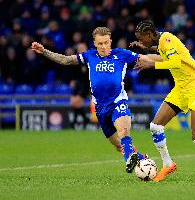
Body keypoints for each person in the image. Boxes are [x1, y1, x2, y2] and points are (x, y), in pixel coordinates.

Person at [31, 27, 148, 173]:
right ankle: (141, 158)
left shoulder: (121, 54)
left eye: (106, 43)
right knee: (119, 145)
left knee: (124, 131)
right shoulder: (89, 56)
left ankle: (129, 159)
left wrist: (170, 59)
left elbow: (147, 59)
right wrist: (45, 51)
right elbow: (66, 60)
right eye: (100, 44)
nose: (104, 46)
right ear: (94, 43)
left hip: (118, 101)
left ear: (110, 41)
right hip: (100, 108)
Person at [131, 20, 195, 183]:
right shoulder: (161, 43)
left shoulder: (167, 40)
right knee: (155, 127)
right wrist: (144, 57)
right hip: (181, 88)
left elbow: (176, 62)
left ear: (150, 34)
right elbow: (162, 57)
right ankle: (168, 164)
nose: (141, 41)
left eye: (142, 38)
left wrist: (152, 64)